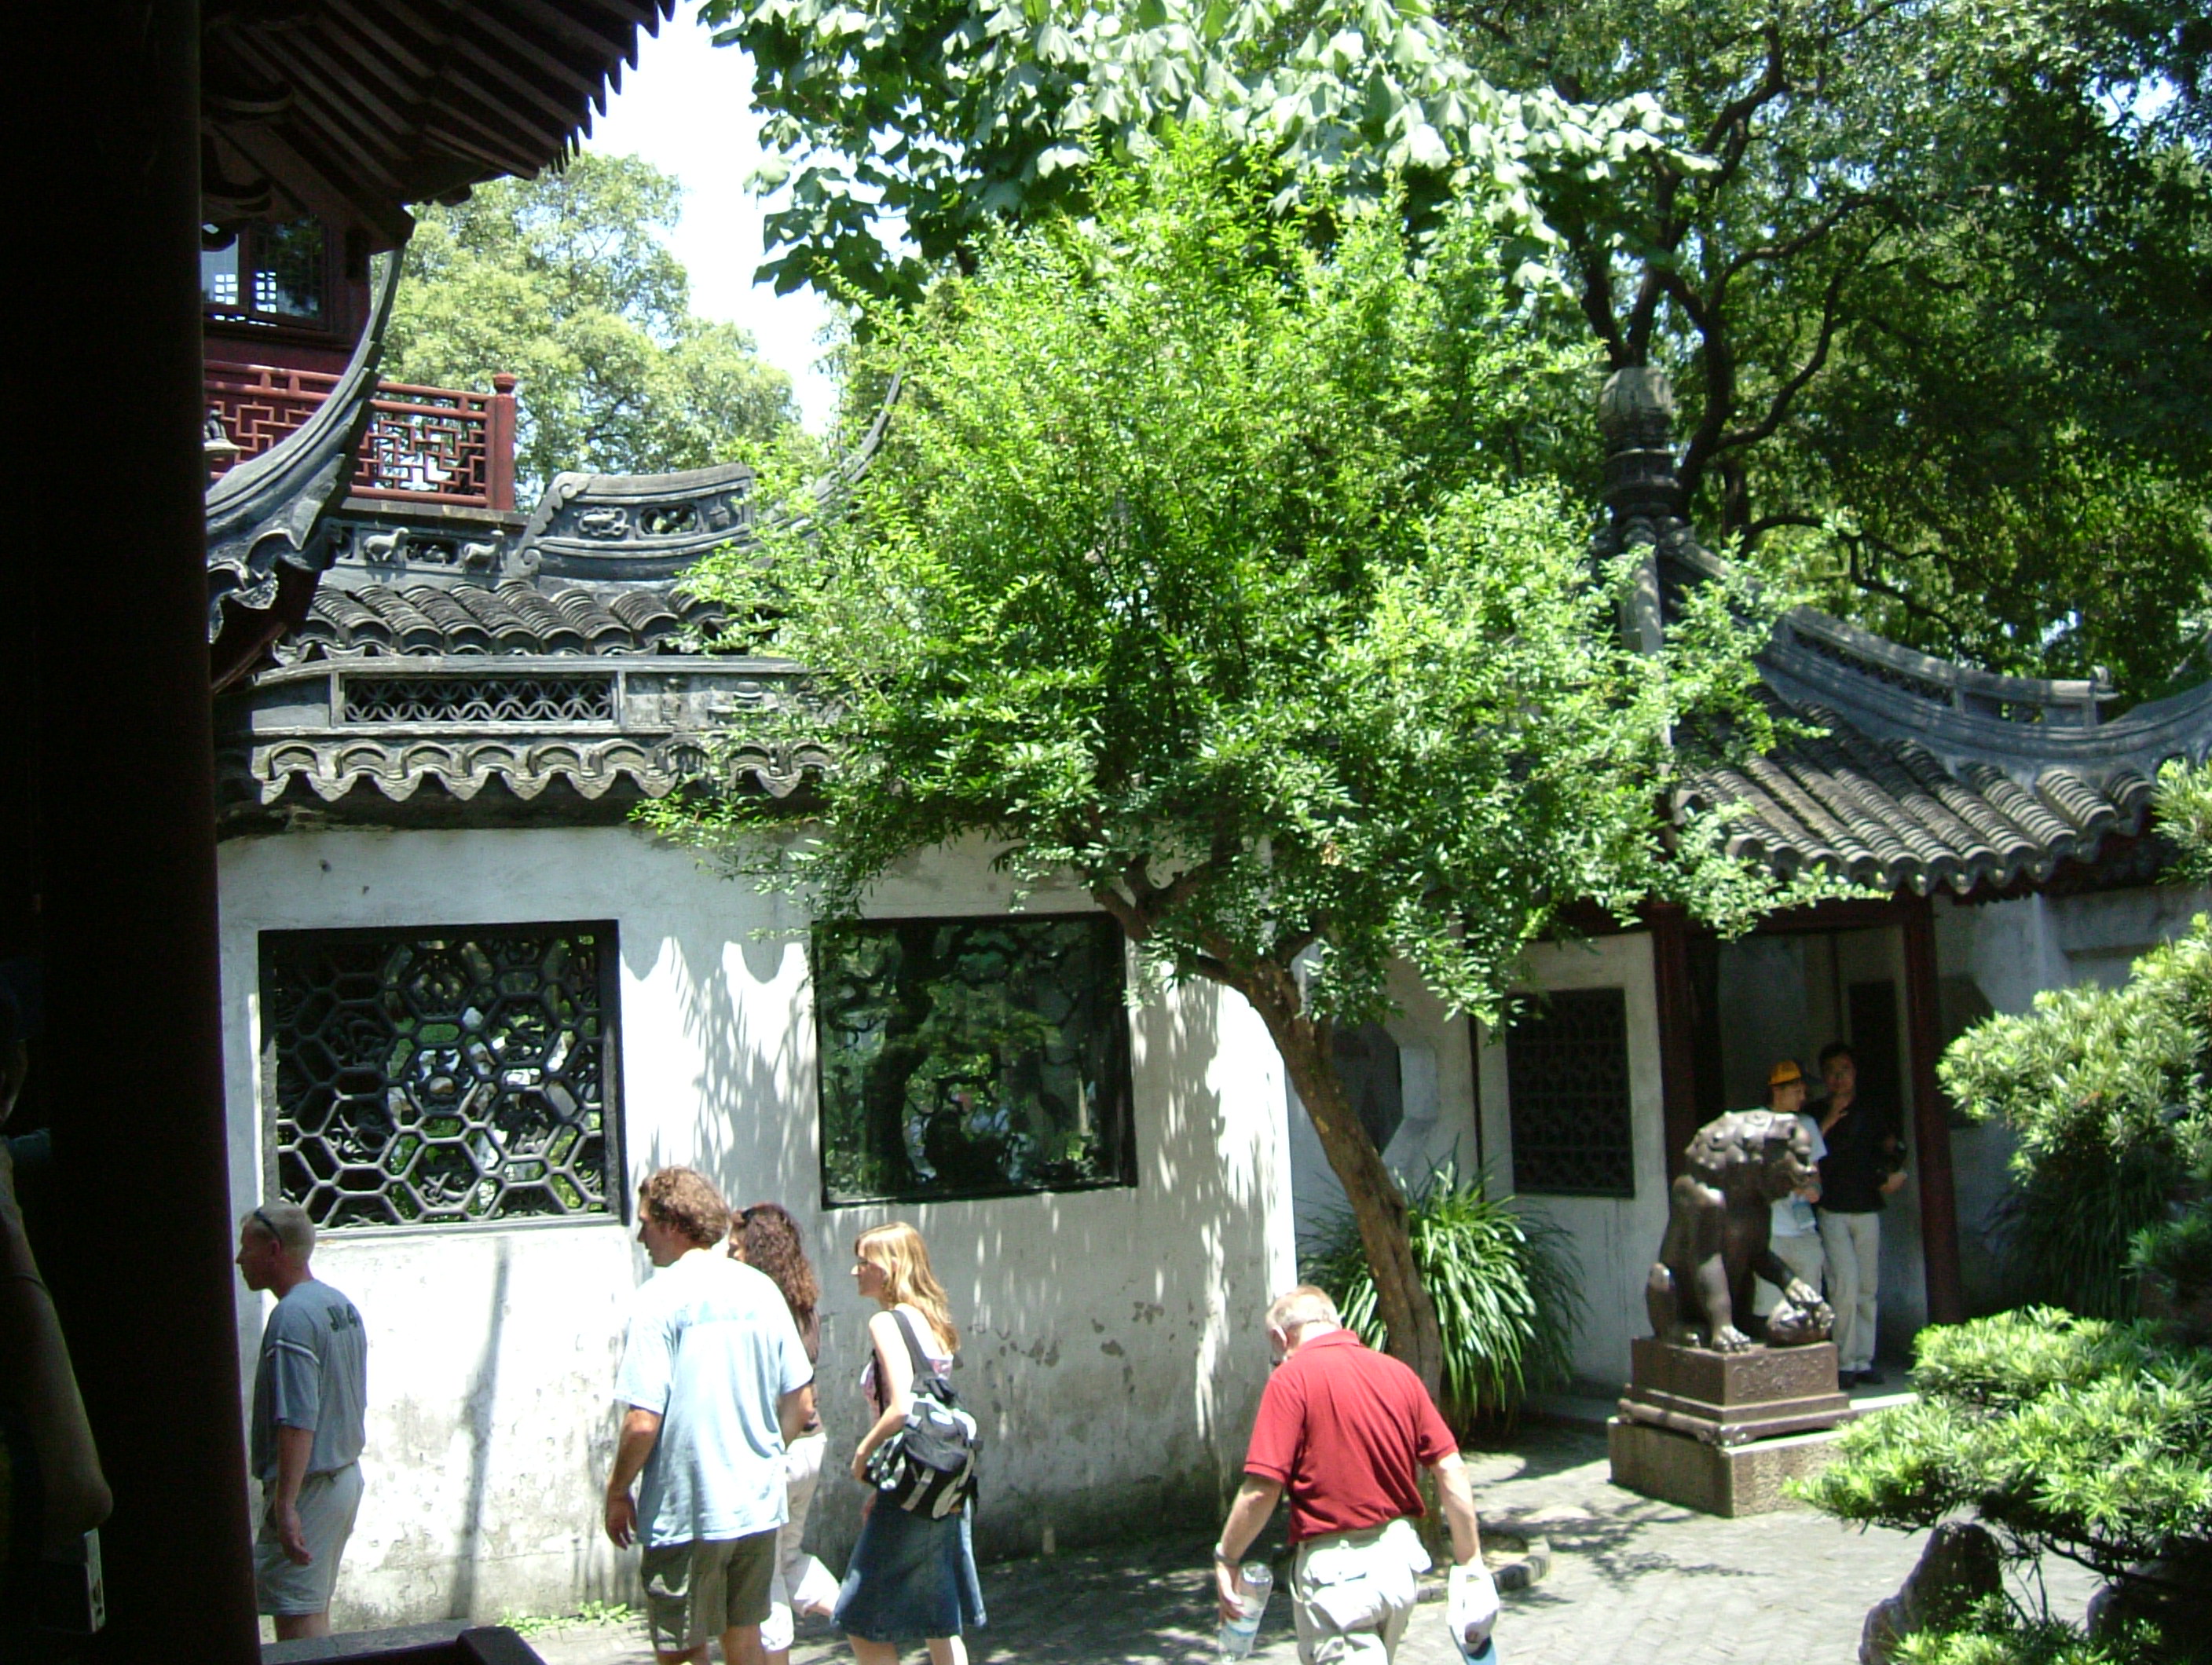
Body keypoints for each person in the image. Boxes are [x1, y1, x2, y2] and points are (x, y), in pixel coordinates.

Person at [1213, 1286, 1494, 1664]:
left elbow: (1263, 1488)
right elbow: (1450, 1467)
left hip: (1339, 1579)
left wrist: (1227, 1557)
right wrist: (1470, 1562)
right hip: (1399, 1567)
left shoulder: (1291, 1379)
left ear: (1280, 1337)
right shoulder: (1398, 1373)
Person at [606, 1168, 815, 1665]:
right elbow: (801, 1403)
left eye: (645, 1224)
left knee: (682, 1649)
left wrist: (617, 1490)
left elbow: (642, 1421)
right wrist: (763, 1455)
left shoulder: (659, 1298)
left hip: (688, 1508)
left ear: (672, 1223)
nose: (640, 1238)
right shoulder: (760, 1289)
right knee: (745, 1639)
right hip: (755, 1505)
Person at [836, 1221, 985, 1665]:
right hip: (943, 1482)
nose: (856, 1271)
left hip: (911, 1483)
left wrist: (862, 1456)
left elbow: (901, 1407)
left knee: (861, 1618)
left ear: (891, 1267)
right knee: (940, 1619)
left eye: (864, 1262)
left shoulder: (886, 1322)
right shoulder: (931, 1320)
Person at [236, 1198, 368, 1642]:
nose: (239, 1259)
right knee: (312, 1615)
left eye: (246, 1247)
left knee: (298, 1626)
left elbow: (297, 1419)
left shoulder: (291, 1317)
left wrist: (286, 1505)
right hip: (341, 1478)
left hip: (311, 1487)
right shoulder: (336, 1303)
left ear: (274, 1250)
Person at [731, 1202, 838, 1664]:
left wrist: (767, 1451)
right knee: (787, 1558)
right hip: (810, 1446)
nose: (730, 1256)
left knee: (764, 1572)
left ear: (757, 1251)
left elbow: (794, 1397)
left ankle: (777, 1655)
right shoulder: (804, 1304)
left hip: (782, 1447)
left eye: (736, 1248)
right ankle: (857, 1612)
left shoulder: (761, 1309)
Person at [1815, 1041, 1908, 1387]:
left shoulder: (1871, 1111)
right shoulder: (1814, 1112)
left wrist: (1897, 1173)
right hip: (1832, 1208)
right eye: (1831, 1073)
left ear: (1855, 1073)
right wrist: (1828, 1120)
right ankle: (1843, 1361)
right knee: (1844, 1285)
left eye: (1844, 1071)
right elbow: (1805, 1151)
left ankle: (1863, 1359)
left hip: (1867, 1206)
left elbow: (1893, 1150)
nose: (1838, 1079)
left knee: (1867, 1286)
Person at [1752, 1059, 1827, 1326]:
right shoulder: (1756, 1125)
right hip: (1771, 1230)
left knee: (1811, 1305)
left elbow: (1815, 1172)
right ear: (1777, 1091)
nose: (1802, 1097)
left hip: (1804, 1227)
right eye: (1796, 1091)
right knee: (1771, 1309)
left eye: (1804, 1091)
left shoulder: (1807, 1124)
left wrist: (1813, 1187)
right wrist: (1790, 1183)